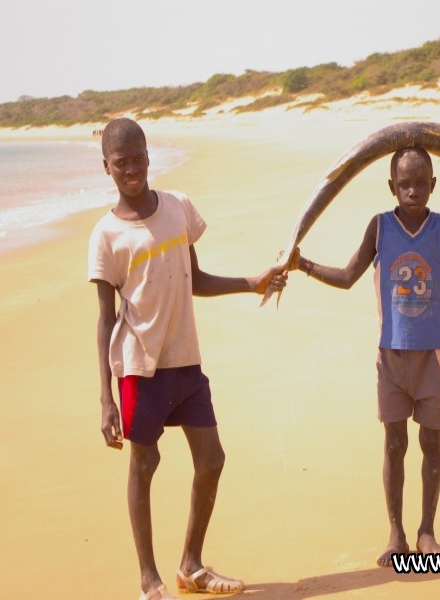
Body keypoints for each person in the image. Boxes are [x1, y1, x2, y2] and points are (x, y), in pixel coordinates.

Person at [88, 118, 288, 600]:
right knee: (144, 463)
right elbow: (104, 321)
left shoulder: (178, 208)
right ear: (107, 168)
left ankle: (191, 565)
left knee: (212, 460)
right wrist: (106, 398)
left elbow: (194, 279)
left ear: (148, 158)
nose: (131, 169)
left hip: (186, 361)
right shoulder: (106, 235)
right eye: (121, 163)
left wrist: (251, 282)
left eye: (138, 159)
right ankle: (148, 579)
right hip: (140, 367)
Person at [293, 147, 440, 566]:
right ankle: (396, 533)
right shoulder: (380, 227)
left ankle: (427, 531)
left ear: (432, 185)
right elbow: (349, 275)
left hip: (434, 355)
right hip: (391, 357)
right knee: (393, 445)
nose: (413, 191)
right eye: (404, 184)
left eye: (420, 183)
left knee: (431, 442)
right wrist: (305, 265)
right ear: (392, 187)